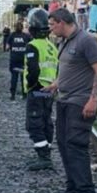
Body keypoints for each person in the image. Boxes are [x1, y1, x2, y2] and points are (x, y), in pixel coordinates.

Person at [45, 8, 97, 193]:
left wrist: (93, 99)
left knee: (76, 145)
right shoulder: (65, 41)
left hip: (80, 102)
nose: (51, 28)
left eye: (52, 24)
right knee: (64, 145)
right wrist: (56, 84)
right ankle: (73, 187)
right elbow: (70, 69)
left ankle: (86, 192)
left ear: (62, 22)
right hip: (64, 100)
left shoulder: (87, 41)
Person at [23, 9, 58, 171]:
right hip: (50, 91)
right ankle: (46, 154)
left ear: (32, 29)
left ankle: (44, 158)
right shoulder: (52, 47)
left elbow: (33, 70)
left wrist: (30, 86)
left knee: (34, 124)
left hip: (37, 90)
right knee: (46, 122)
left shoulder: (32, 46)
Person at [7, 21, 30, 101]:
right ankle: (24, 94)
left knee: (14, 77)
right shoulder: (26, 36)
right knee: (23, 77)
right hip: (23, 59)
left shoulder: (12, 35)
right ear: (22, 28)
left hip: (14, 59)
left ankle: (12, 95)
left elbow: (7, 46)